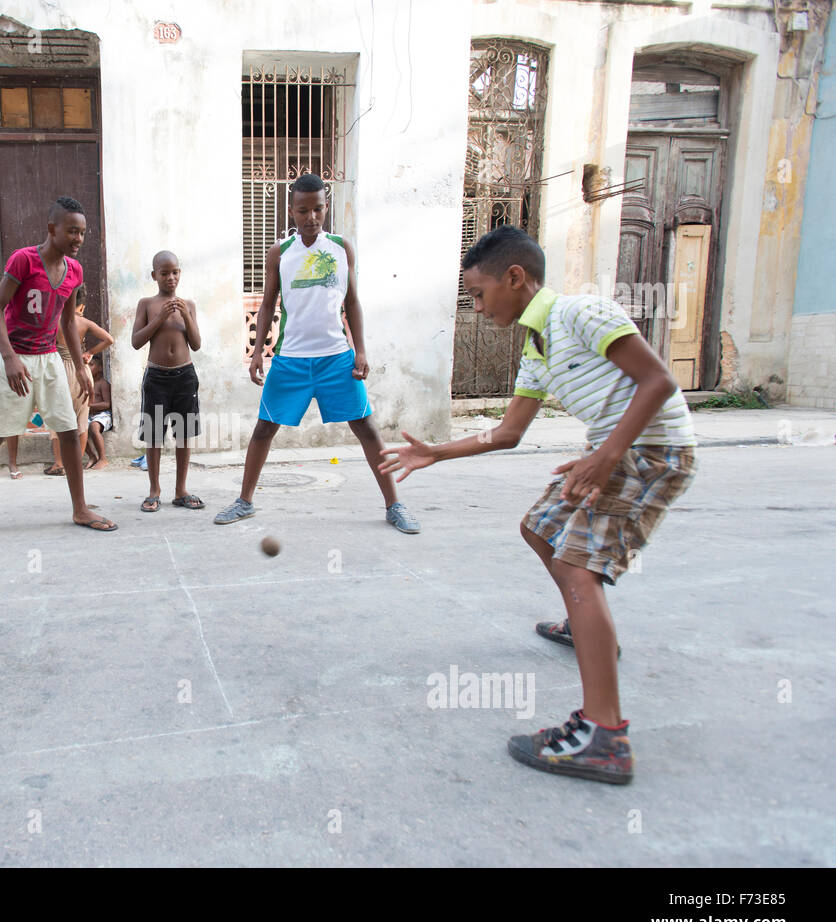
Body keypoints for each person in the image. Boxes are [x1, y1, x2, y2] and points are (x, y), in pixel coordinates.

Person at [379, 225, 697, 785]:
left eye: (479, 294)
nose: (476, 308)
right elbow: (507, 433)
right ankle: (588, 627)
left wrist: (606, 456)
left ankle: (604, 737)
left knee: (578, 566)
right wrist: (437, 453)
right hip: (614, 451)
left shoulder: (581, 314)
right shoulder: (536, 347)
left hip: (652, 451)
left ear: (516, 278)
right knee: (540, 527)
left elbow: (659, 381)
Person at [213, 173, 420, 534]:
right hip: (291, 358)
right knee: (264, 428)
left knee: (366, 427)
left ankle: (395, 505)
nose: (311, 217)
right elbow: (266, 305)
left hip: (336, 357)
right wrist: (259, 351)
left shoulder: (341, 248)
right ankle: (244, 501)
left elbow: (352, 302)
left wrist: (360, 351)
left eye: (318, 209)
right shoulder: (281, 252)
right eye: (303, 210)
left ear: (327, 208)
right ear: (291, 211)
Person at [0, 197, 116, 544]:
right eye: (71, 231)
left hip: (51, 358)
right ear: (52, 229)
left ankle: (80, 508)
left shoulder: (74, 270)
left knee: (69, 432)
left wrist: (83, 366)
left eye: (82, 233)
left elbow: (68, 320)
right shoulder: (23, 260)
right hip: (14, 357)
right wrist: (8, 358)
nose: (78, 239)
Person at [131, 250, 203, 511]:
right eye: (164, 273)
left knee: (184, 435)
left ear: (180, 273)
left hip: (185, 376)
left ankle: (181, 489)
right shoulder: (147, 304)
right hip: (157, 377)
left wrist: (185, 316)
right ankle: (154, 490)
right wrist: (160, 317)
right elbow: (136, 341)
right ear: (154, 275)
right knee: (153, 435)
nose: (170, 278)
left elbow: (195, 344)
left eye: (174, 272)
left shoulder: (189, 305)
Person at [44, 283, 114, 475]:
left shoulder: (53, 320)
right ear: (81, 307)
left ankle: (59, 463)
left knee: (56, 419)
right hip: (82, 371)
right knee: (81, 418)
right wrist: (90, 352)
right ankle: (75, 463)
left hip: (59, 370)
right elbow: (109, 339)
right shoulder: (85, 323)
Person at [86, 360, 113, 469]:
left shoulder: (103, 383)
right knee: (77, 429)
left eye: (91, 365)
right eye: (86, 365)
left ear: (100, 368)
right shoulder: (86, 384)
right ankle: (92, 456)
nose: (88, 367)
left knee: (93, 426)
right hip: (88, 415)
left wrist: (89, 407)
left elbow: (107, 404)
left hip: (103, 415)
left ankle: (103, 458)